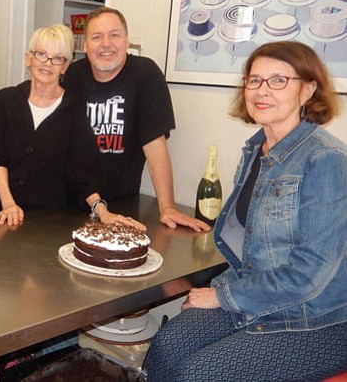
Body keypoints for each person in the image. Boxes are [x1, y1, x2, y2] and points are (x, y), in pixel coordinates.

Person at [146, 41, 347, 381]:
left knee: (198, 374)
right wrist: (218, 292)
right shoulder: (256, 149)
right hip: (257, 294)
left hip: (317, 318)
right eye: (254, 80)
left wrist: (222, 296)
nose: (262, 91)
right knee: (167, 344)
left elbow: (309, 276)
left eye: (278, 80)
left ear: (308, 89)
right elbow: (250, 251)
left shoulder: (325, 160)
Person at [0, 23, 145, 230]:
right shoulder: (6, 100)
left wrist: (103, 211)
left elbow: (82, 172)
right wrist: (9, 204)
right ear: (28, 58)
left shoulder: (74, 108)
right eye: (41, 54)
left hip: (48, 222)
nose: (47, 63)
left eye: (57, 58)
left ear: (65, 66)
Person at [62, 6, 209, 232]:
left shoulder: (145, 74)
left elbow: (154, 144)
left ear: (127, 40)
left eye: (114, 35)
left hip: (122, 203)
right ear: (85, 45)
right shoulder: (73, 76)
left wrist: (167, 207)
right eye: (96, 37)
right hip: (70, 202)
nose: (106, 44)